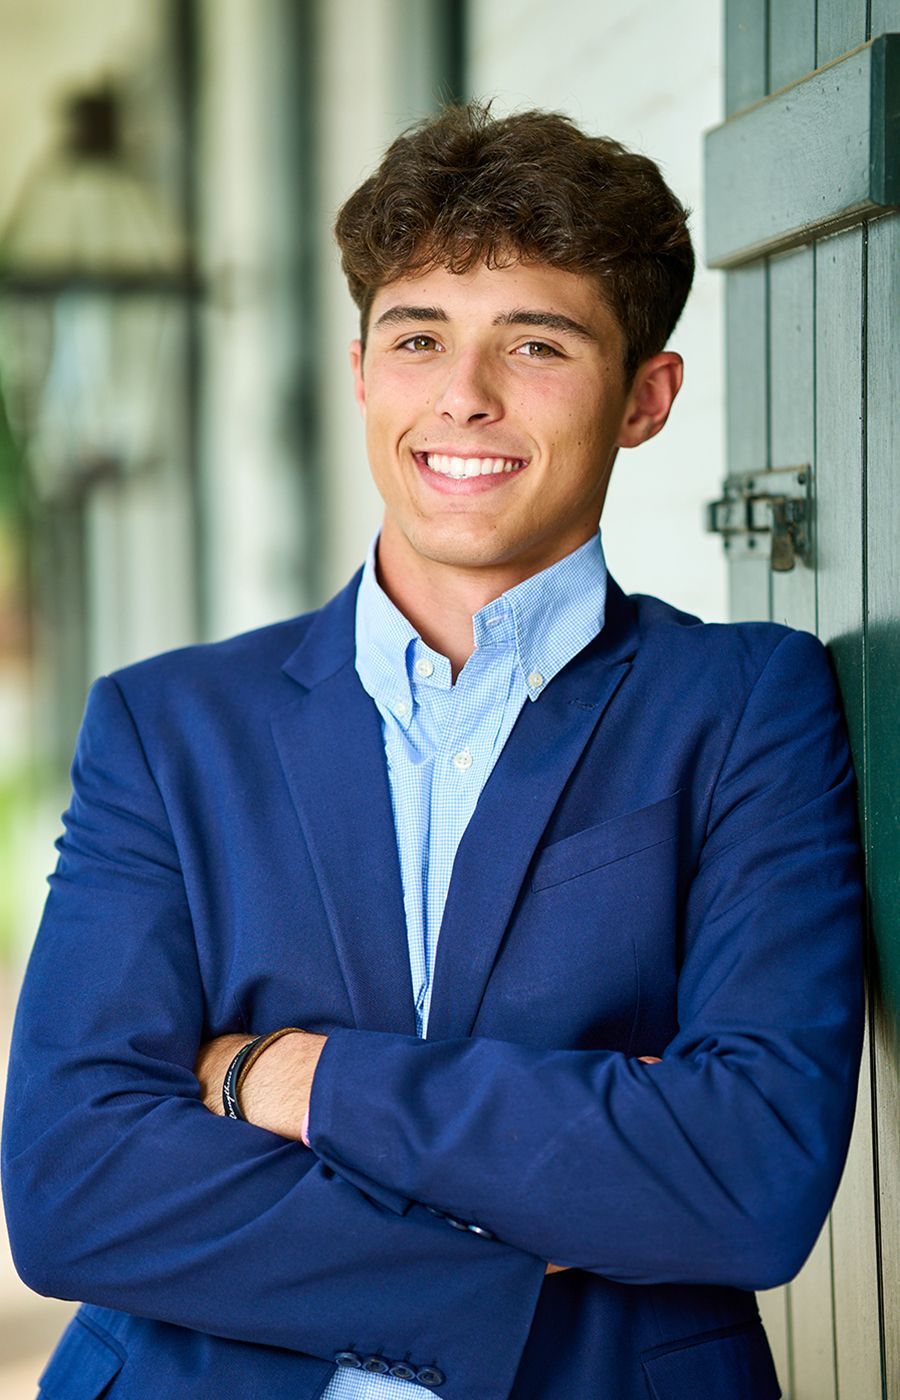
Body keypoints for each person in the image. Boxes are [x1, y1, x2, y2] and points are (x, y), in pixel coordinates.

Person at [3, 104, 863, 1400]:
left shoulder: (742, 706)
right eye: (418, 338)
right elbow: (74, 1189)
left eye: (538, 343)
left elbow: (745, 1178)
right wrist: (540, 1209)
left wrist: (290, 1076)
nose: (464, 395)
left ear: (646, 397)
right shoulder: (169, 729)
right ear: (361, 372)